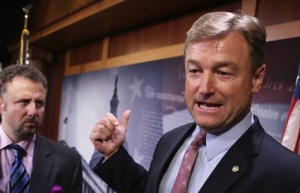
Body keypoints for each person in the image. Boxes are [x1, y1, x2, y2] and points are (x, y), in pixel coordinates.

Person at [89, 11, 300, 193]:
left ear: (256, 78)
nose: (205, 88)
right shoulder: (170, 140)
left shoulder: (288, 176)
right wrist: (114, 155)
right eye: (195, 71)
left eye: (223, 72)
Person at [0, 65, 82, 193]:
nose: (33, 112)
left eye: (39, 103)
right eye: (24, 101)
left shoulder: (68, 161)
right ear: (1, 105)